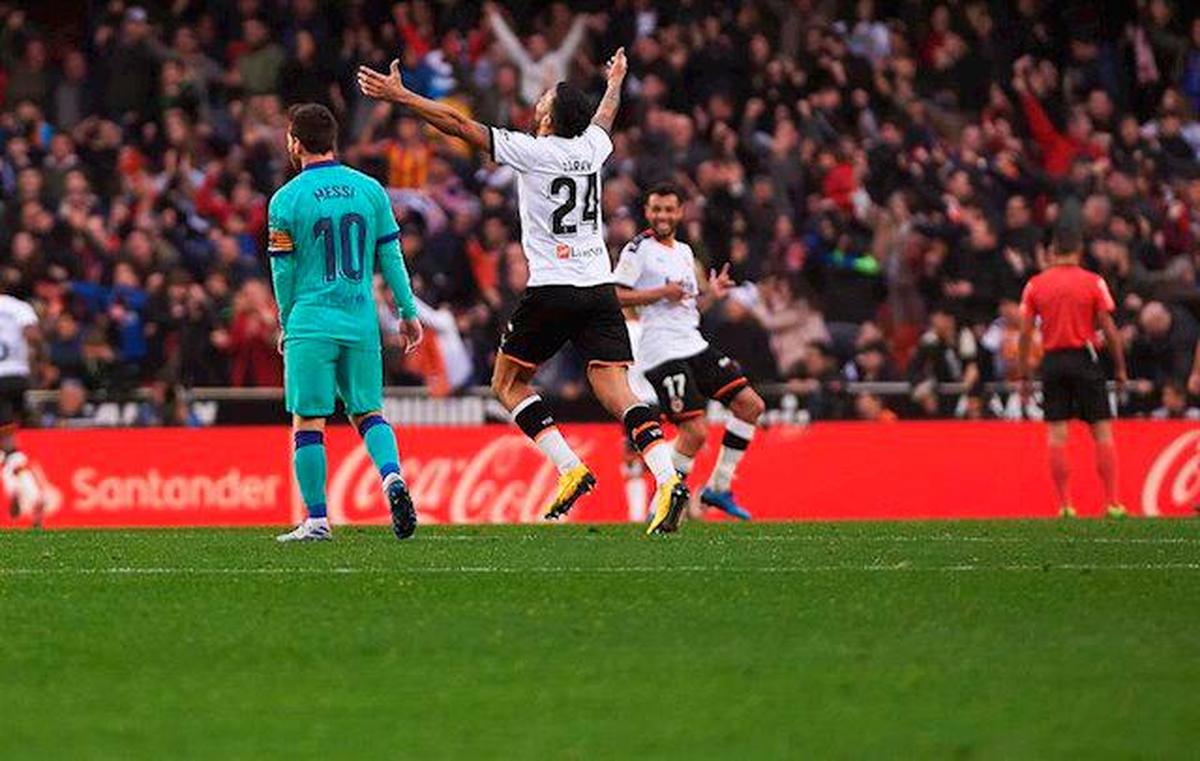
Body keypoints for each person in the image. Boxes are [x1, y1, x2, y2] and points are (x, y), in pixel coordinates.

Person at [358, 49, 690, 534]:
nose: (536, 104)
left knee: (507, 384)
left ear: (552, 119)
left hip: (553, 288)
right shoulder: (593, 148)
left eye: (543, 100)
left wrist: (402, 95)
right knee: (619, 391)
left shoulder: (533, 151)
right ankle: (667, 479)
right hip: (598, 287)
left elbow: (457, 125)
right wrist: (615, 80)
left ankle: (570, 467)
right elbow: (604, 115)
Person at [269, 104, 424, 543]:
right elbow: (390, 255)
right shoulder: (369, 190)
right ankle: (392, 478)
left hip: (311, 321)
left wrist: (286, 321)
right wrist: (407, 312)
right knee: (368, 412)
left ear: (295, 143)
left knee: (308, 420)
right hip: (360, 320)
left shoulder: (285, 200)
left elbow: (282, 271)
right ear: (332, 141)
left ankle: (317, 519)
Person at [613, 184, 766, 521]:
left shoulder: (683, 251)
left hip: (691, 342)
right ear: (647, 212)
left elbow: (685, 303)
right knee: (694, 432)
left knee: (750, 405)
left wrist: (711, 293)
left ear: (680, 212)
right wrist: (658, 293)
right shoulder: (637, 249)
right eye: (656, 209)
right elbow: (615, 295)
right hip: (660, 350)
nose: (662, 216)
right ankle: (662, 504)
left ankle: (719, 487)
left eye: (669, 209)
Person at [1018, 224, 1128, 518]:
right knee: (1101, 431)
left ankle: (1066, 505)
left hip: (1052, 361)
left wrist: (1024, 374)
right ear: (1078, 251)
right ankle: (1113, 502)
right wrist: (1119, 368)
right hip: (1085, 358)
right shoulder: (1093, 282)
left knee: (1057, 434)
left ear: (1052, 252)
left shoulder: (1035, 285)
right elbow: (1109, 329)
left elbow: (1025, 334)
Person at [0, 290, 44, 527]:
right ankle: (25, 489)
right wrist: (39, 365)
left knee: (7, 445)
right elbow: (33, 335)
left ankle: (21, 487)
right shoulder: (18, 307)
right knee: (7, 442)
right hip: (17, 379)